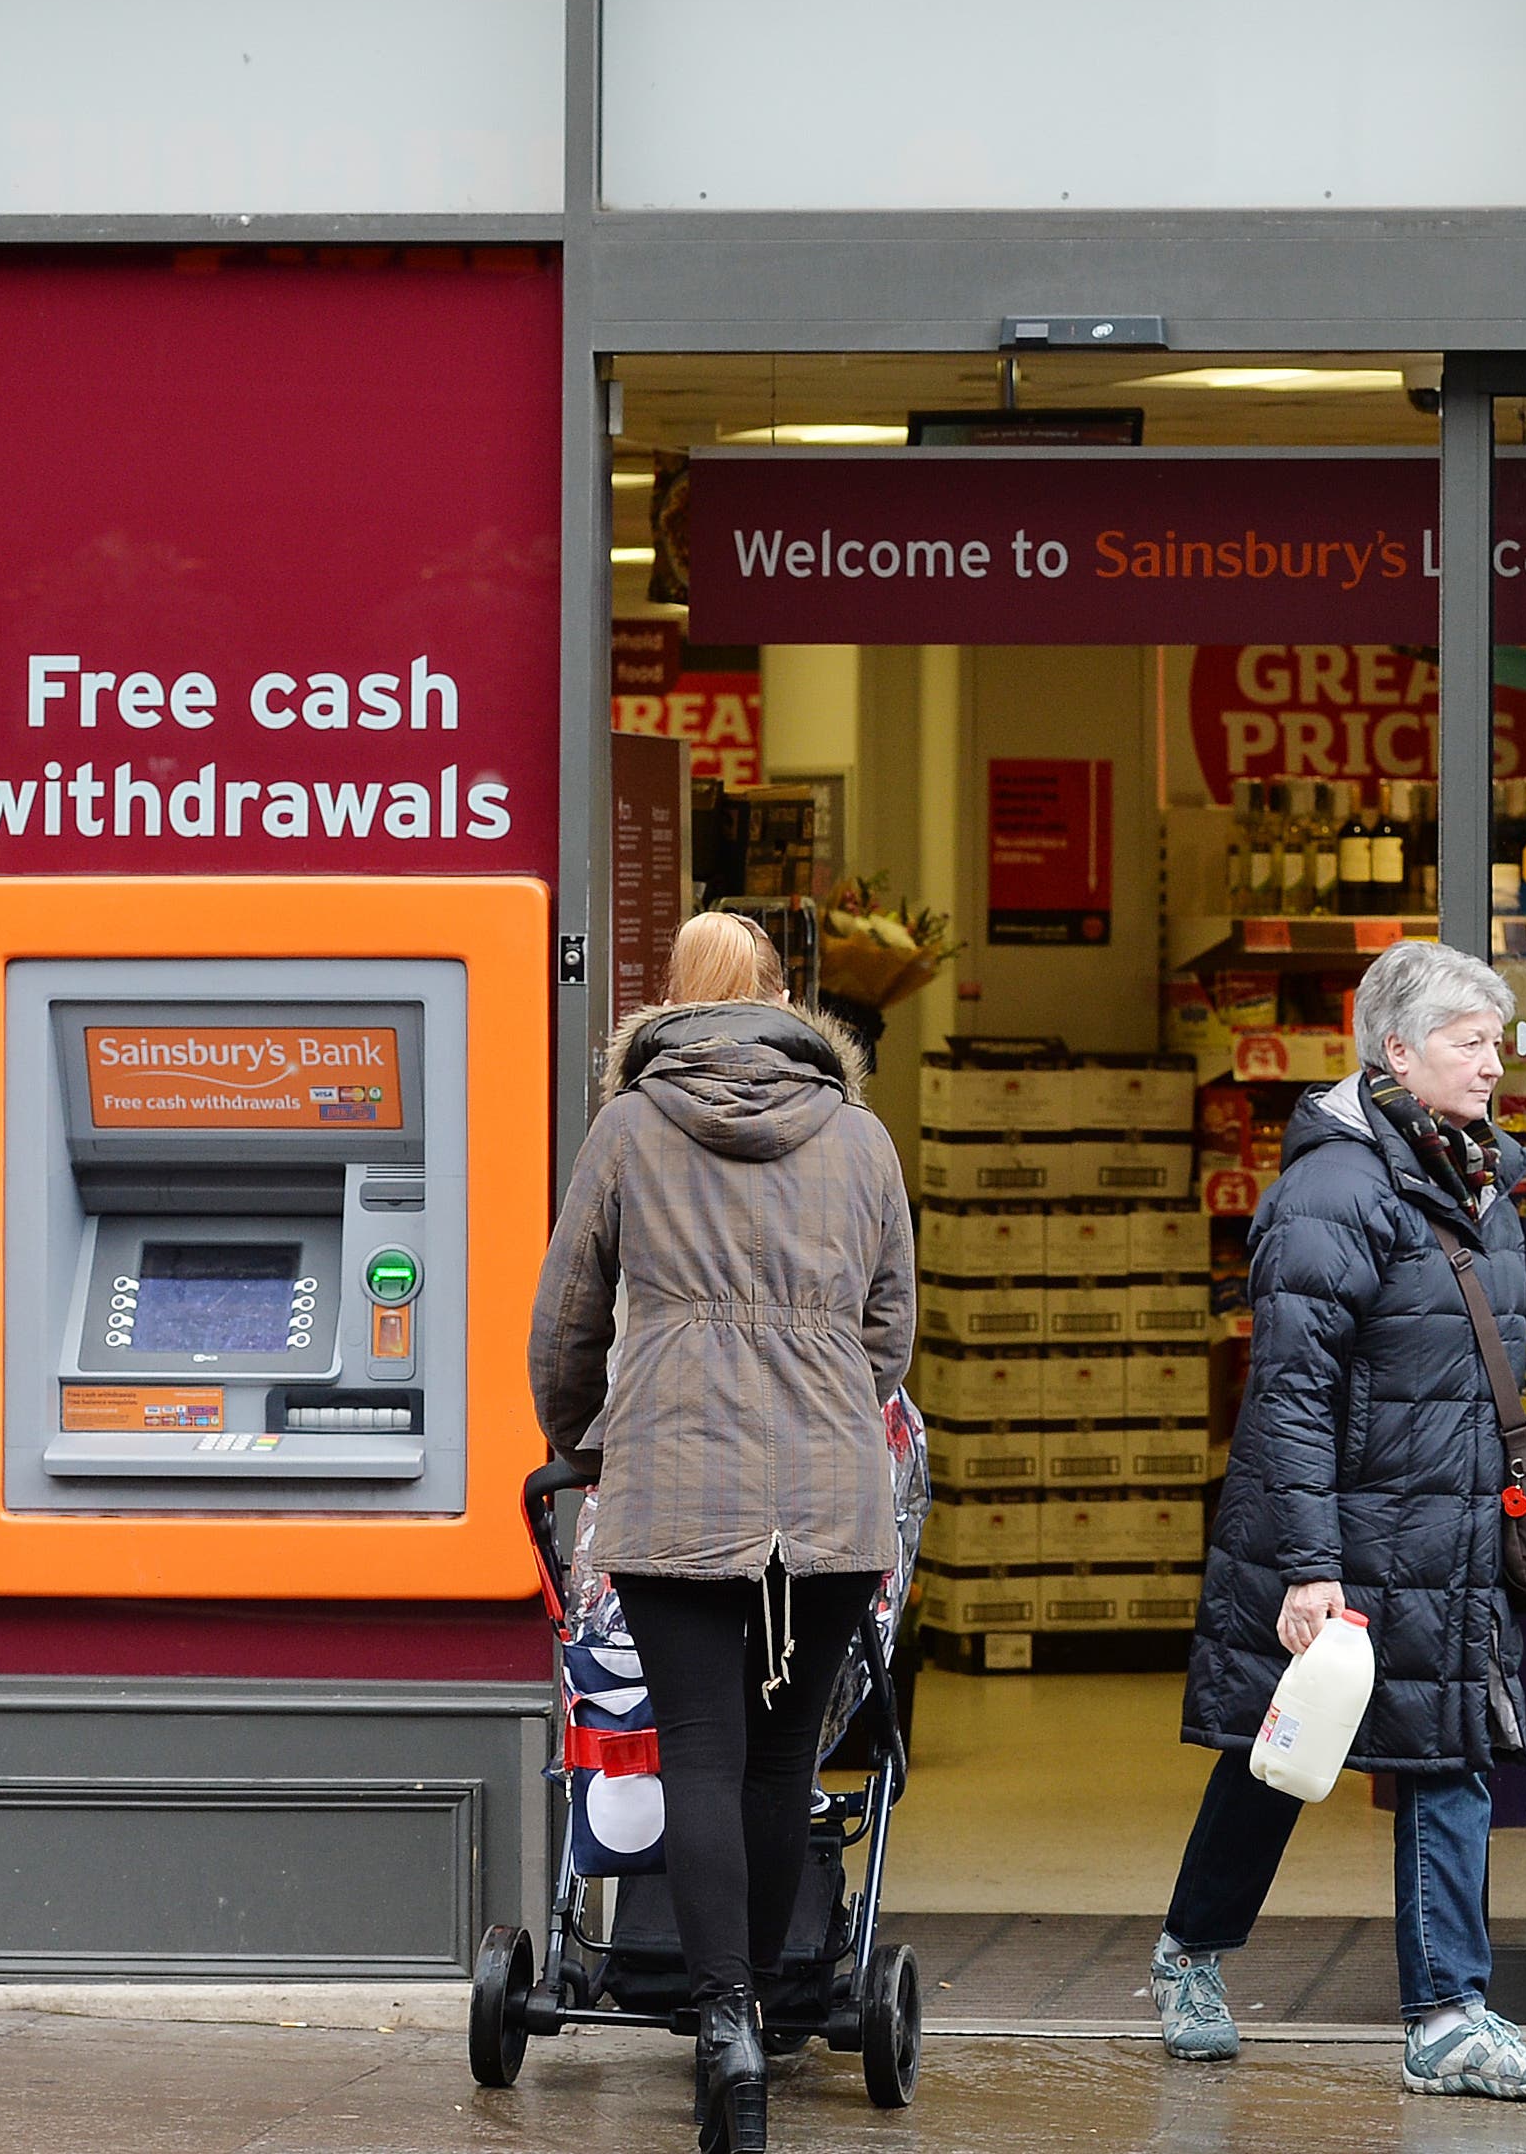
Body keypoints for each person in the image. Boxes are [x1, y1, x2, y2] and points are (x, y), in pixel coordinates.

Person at [1154, 938, 1526, 2101]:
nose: (1495, 1065)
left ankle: (1447, 2017)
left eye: (1499, 1042)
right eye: (1469, 1043)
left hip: (1447, 1533)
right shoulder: (1335, 1191)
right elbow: (1287, 1392)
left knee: (1449, 1756)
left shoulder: (1479, 1179)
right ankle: (1191, 1952)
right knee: (1276, 1754)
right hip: (1338, 1533)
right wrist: (1307, 1567)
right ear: (1398, 1049)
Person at [529, 913, 916, 2154]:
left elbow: (569, 1316)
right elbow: (892, 1330)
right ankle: (763, 2003)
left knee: (693, 1750)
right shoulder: (858, 1136)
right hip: (832, 1504)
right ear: (783, 1001)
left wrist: (582, 1435)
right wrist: (828, 1410)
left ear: (671, 1007)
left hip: (671, 1486)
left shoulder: (631, 1127)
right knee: (777, 1760)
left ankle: (725, 2022)